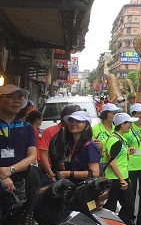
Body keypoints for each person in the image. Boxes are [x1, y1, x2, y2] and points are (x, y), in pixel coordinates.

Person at [0, 85, 38, 217]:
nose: (16, 101)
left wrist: (10, 170)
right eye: (11, 97)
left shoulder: (26, 127)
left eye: (20, 97)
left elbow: (32, 157)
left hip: (19, 184)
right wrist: (2, 176)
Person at [102, 112, 137, 225]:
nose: (130, 125)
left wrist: (128, 152)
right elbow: (112, 161)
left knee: (127, 205)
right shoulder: (113, 139)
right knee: (114, 206)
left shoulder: (120, 138)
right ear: (122, 124)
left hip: (121, 177)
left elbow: (118, 156)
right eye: (129, 123)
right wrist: (122, 179)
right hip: (115, 179)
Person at [50, 110, 100, 182]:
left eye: (78, 121)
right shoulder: (70, 145)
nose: (73, 123)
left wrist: (68, 174)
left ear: (87, 126)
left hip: (84, 190)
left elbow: (95, 173)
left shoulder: (89, 146)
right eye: (71, 121)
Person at [39, 104, 81, 180]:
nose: (75, 123)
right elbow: (43, 155)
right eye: (73, 120)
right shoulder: (49, 131)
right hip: (53, 173)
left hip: (73, 174)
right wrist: (51, 174)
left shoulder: (78, 132)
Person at [92, 103, 122, 175]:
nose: (115, 116)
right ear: (105, 114)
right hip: (101, 167)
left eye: (116, 113)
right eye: (113, 113)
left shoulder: (117, 129)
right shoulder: (94, 129)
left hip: (117, 166)